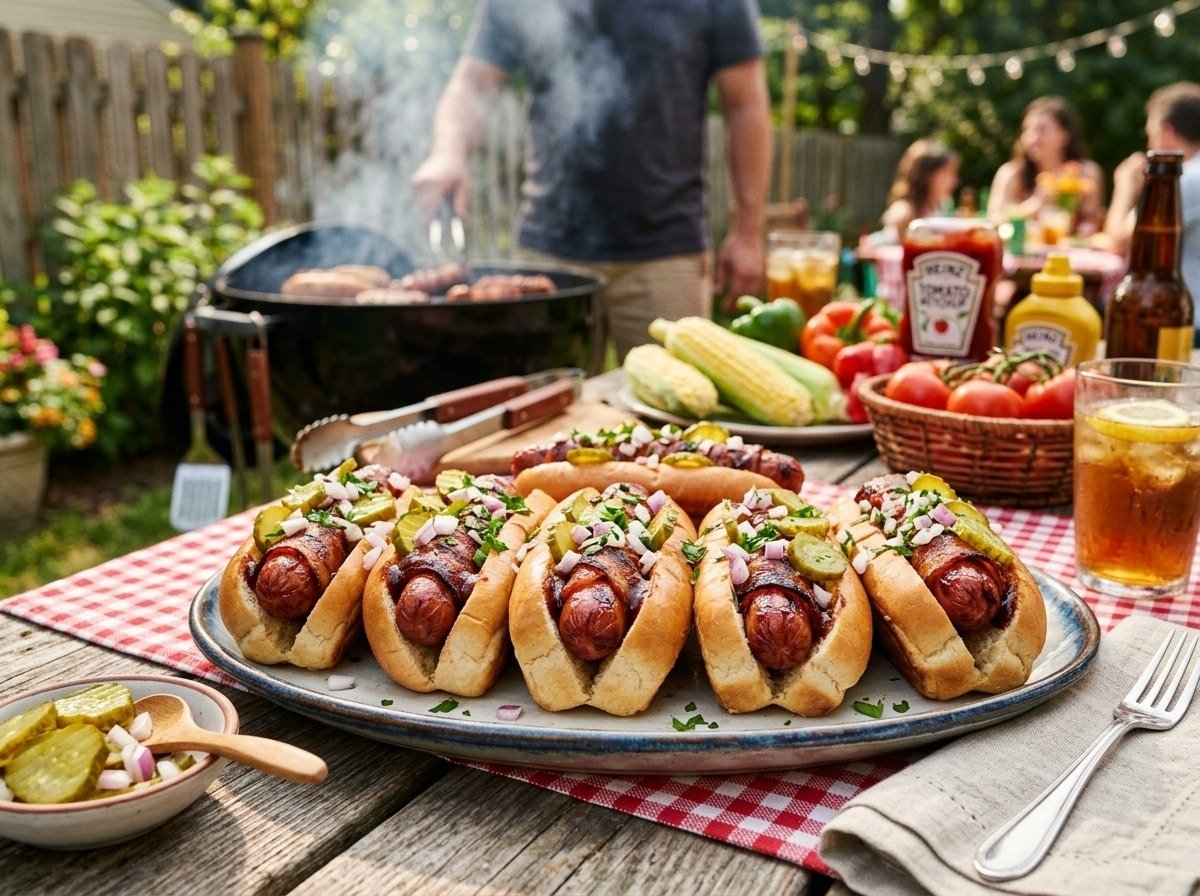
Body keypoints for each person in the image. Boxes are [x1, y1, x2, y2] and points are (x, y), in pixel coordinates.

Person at [410, 0, 771, 363]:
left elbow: (745, 104)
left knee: (676, 412)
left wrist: (749, 231)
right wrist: (447, 153)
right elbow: (473, 82)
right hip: (550, 253)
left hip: (667, 252)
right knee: (541, 411)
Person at [1103, 81, 1200, 337]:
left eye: (1150, 136)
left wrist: (1124, 187)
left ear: (1166, 133)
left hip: (1185, 323)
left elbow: (1120, 241)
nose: (1148, 146)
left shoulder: (1185, 179)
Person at [986, 96, 1105, 237]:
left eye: (1041, 130)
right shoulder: (1011, 173)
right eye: (1027, 130)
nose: (1032, 139)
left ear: (1065, 135)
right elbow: (992, 222)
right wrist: (1035, 204)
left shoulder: (1087, 174)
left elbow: (1093, 225)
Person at [879, 138, 960, 242]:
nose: (954, 180)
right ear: (925, 175)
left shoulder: (943, 206)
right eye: (946, 172)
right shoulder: (904, 212)